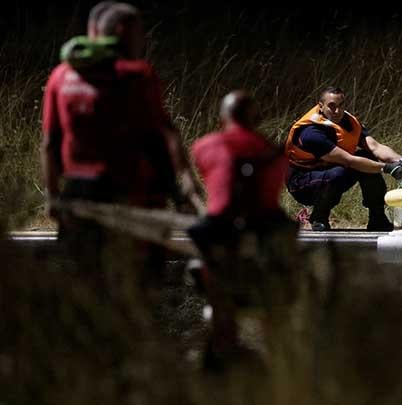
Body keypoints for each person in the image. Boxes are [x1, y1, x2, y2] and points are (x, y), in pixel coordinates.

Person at [40, 3, 200, 282]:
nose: (143, 41)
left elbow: (50, 143)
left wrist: (53, 195)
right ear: (122, 32)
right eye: (140, 33)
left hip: (77, 196)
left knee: (86, 285)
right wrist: (178, 189)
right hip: (129, 194)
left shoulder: (61, 76)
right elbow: (158, 138)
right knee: (138, 285)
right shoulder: (136, 74)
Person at [188, 90, 295, 373]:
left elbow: (210, 179)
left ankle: (209, 287)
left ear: (224, 117)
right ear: (256, 118)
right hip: (266, 228)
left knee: (206, 260)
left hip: (221, 228)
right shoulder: (275, 153)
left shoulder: (205, 145)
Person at [284, 86, 402, 231]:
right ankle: (319, 216)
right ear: (321, 106)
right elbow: (349, 161)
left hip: (331, 169)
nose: (337, 111)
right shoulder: (311, 132)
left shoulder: (349, 122)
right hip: (302, 182)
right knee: (340, 172)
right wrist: (386, 167)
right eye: (332, 106)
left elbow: (375, 147)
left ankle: (377, 218)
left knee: (366, 156)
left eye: (341, 106)